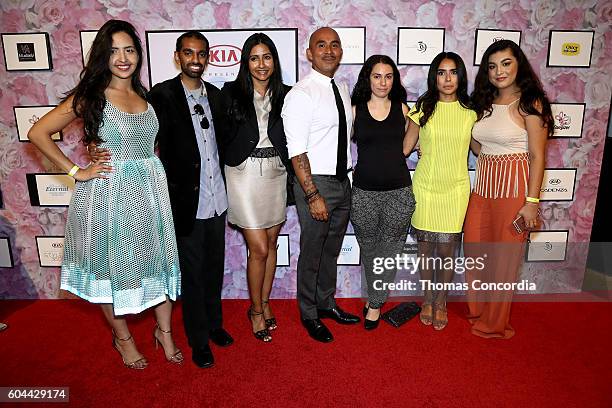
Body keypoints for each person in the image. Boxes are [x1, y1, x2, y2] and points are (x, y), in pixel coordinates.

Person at [28, 19, 182, 369]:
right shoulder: (91, 96)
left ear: (138, 55)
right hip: (109, 197)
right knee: (112, 271)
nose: (123, 57)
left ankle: (165, 332)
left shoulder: (145, 95)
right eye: (113, 51)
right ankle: (123, 338)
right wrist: (76, 170)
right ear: (102, 56)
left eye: (129, 49)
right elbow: (39, 132)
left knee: (158, 264)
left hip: (149, 193)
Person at [91, 31, 233, 368]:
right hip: (182, 200)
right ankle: (199, 341)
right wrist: (96, 145)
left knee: (214, 268)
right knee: (192, 274)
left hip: (218, 197)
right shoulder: (161, 95)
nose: (195, 60)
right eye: (188, 53)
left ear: (208, 57)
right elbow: (130, 129)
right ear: (177, 56)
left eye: (201, 54)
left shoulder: (216, 95)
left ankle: (214, 325)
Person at [465, 40, 552, 339]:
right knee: (475, 251)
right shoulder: (483, 104)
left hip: (514, 192)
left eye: (505, 63)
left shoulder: (531, 102)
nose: (499, 71)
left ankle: (494, 323)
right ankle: (478, 310)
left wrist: (531, 202)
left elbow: (538, 156)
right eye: (492, 66)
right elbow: (480, 148)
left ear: (519, 66)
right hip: (482, 190)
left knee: (503, 261)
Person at [282, 27, 360, 343]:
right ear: (309, 53)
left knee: (330, 251)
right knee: (313, 252)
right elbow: (296, 150)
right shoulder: (301, 94)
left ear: (341, 51)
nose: (329, 50)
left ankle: (326, 304)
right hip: (317, 184)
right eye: (321, 45)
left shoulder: (341, 87)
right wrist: (312, 193)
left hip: (343, 182)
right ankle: (309, 313)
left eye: (335, 44)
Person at [219, 33, 292, 342]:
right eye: (254, 58)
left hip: (276, 172)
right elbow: (220, 136)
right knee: (259, 248)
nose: (261, 64)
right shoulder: (231, 92)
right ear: (245, 62)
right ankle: (256, 311)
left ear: (274, 61)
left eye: (267, 57)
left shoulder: (288, 94)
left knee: (272, 245)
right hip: (243, 173)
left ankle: (263, 302)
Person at [403, 52, 477, 330]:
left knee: (447, 251)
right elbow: (405, 147)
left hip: (456, 190)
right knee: (425, 251)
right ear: (434, 77)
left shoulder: (472, 112)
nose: (447, 78)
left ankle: (441, 301)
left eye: (453, 72)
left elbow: (480, 148)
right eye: (441, 72)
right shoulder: (422, 109)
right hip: (425, 189)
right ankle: (427, 299)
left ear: (460, 76)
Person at [350, 55, 415, 330]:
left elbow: (414, 134)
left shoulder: (403, 109)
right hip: (363, 192)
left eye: (388, 76)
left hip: (398, 192)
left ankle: (375, 304)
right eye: (377, 76)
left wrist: (406, 149)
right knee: (370, 250)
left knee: (389, 250)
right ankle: (376, 297)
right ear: (368, 78)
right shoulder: (353, 110)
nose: (383, 82)